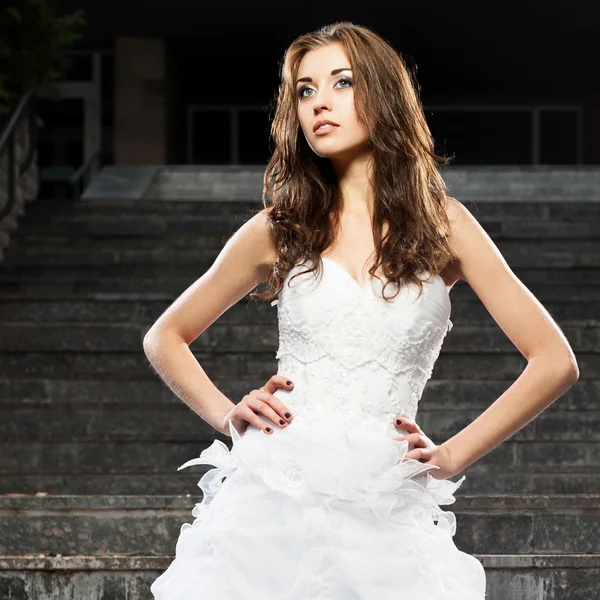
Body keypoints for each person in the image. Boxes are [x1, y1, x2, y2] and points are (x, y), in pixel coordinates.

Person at [145, 21, 579, 600]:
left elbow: (554, 360)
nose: (319, 101)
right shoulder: (279, 229)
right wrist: (229, 416)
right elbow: (165, 335)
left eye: (341, 82)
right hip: (278, 491)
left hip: (386, 501)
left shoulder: (445, 225)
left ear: (382, 93)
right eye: (304, 90)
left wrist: (451, 456)